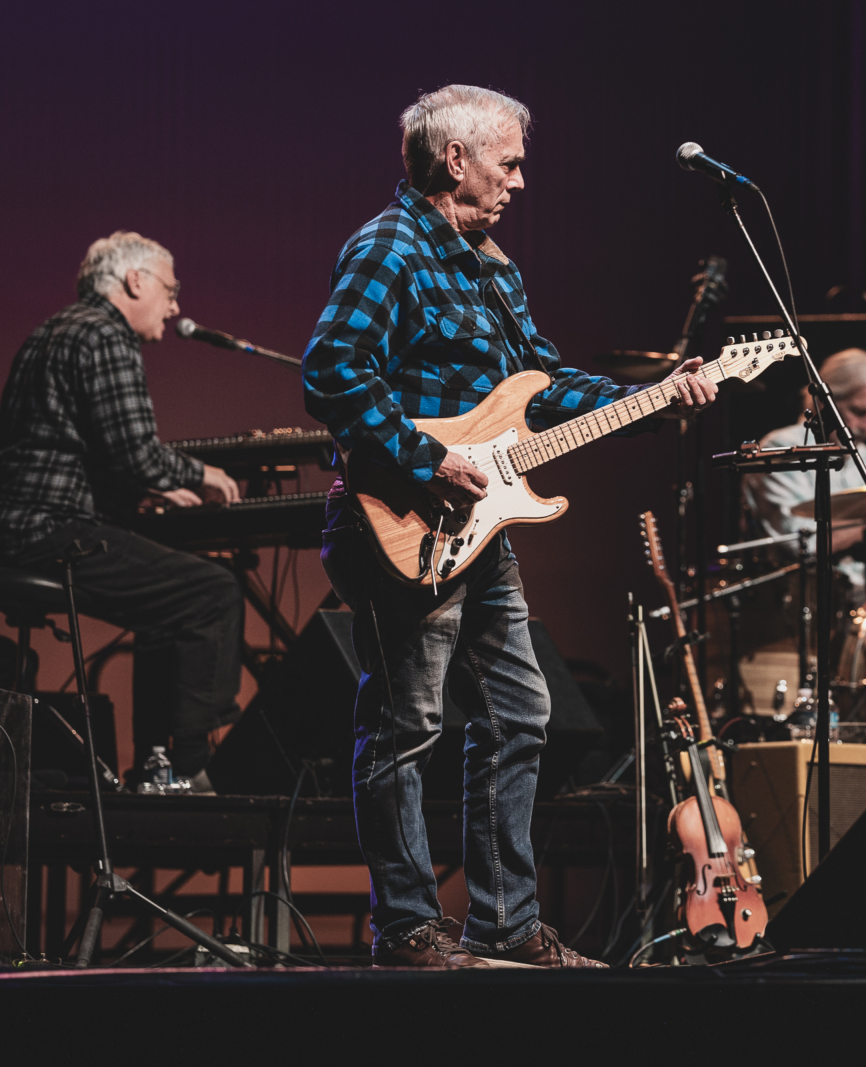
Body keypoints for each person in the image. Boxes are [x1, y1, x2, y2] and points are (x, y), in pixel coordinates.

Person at [304, 85, 716, 969]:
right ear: (456, 160)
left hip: (481, 530)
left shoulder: (492, 265)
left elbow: (543, 386)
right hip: (401, 521)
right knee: (409, 721)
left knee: (522, 712)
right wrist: (425, 458)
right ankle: (407, 927)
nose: (520, 182)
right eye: (510, 161)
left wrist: (653, 397)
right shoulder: (390, 246)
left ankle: (504, 925)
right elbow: (333, 371)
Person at [0, 231, 245, 788]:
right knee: (210, 592)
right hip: (45, 529)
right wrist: (202, 475)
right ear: (134, 281)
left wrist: (134, 493)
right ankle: (191, 767)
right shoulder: (104, 334)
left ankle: (155, 763)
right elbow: (134, 451)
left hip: (3, 524)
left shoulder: (56, 328)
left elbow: (64, 445)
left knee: (166, 603)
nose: (175, 306)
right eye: (170, 290)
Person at [742, 348, 866, 603]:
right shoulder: (781, 447)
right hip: (800, 607)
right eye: (859, 412)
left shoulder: (865, 454)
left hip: (861, 602)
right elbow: (803, 545)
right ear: (823, 400)